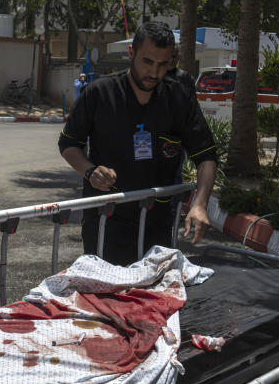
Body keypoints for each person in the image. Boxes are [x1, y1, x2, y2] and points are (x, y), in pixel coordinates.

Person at [58, 21, 219, 266]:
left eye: (163, 64)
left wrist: (200, 204)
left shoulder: (178, 97)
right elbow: (68, 144)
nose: (154, 73)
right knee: (107, 299)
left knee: (152, 296)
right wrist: (90, 171)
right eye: (147, 61)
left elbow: (206, 154)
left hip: (157, 224)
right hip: (106, 221)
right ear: (132, 53)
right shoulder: (99, 93)